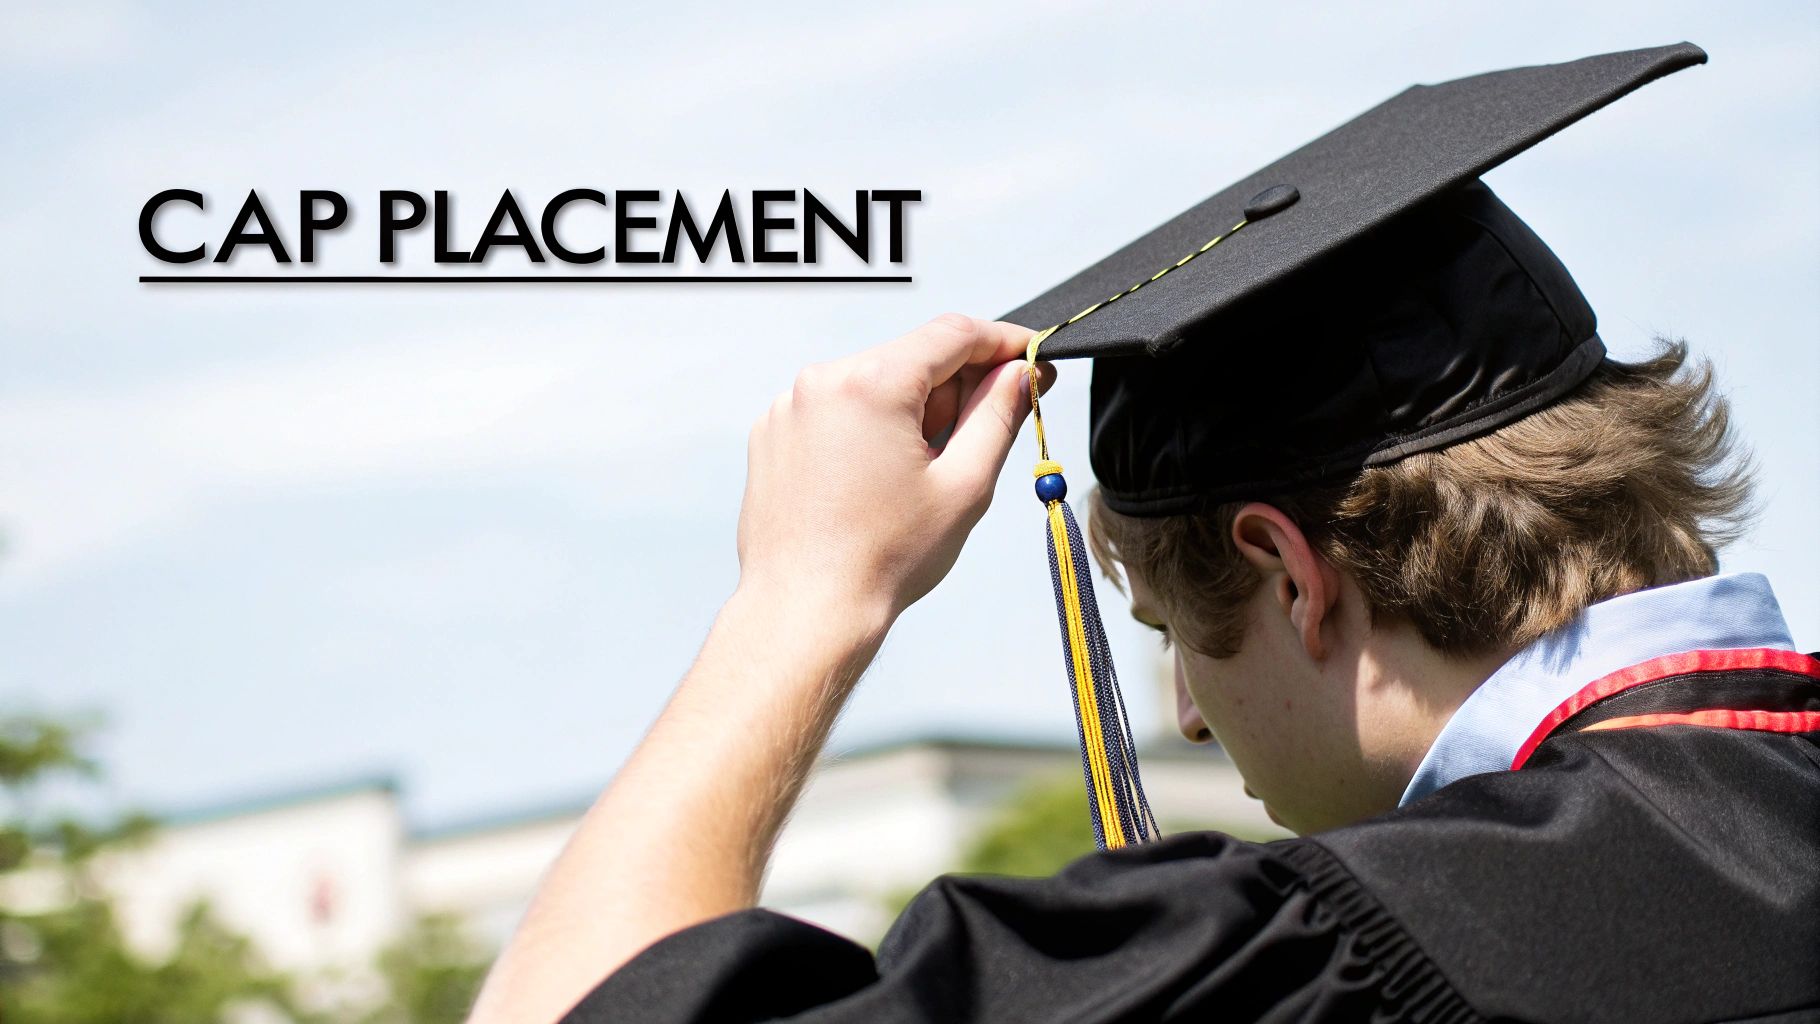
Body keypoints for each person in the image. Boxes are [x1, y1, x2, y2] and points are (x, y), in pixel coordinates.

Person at [469, 44, 1820, 1024]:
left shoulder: (1297, 968)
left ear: (1290, 577)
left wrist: (801, 594)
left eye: (1173, 634)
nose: (1183, 716)